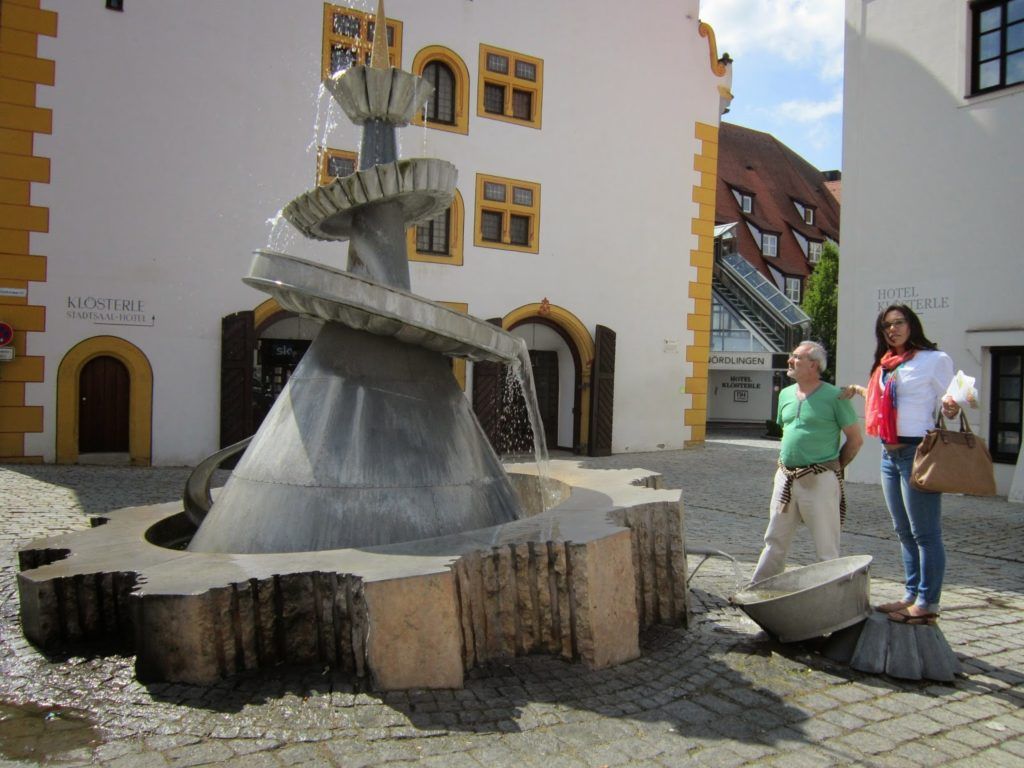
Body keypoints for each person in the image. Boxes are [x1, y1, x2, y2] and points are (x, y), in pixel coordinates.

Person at [841, 304, 961, 625]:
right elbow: (886, 401)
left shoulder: (933, 360)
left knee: (925, 533)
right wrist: (856, 389)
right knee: (903, 530)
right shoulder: (886, 365)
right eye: (886, 326)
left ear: (912, 324)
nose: (892, 329)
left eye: (898, 323)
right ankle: (911, 594)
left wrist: (952, 407)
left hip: (917, 453)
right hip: (888, 455)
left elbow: (953, 403)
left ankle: (927, 602)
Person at [749, 341, 863, 586]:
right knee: (775, 539)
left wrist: (832, 470)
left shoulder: (836, 396)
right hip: (785, 478)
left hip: (819, 479)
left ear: (814, 365)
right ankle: (760, 589)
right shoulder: (786, 394)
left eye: (797, 357)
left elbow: (855, 439)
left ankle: (832, 596)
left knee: (826, 546)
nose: (790, 360)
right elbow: (788, 430)